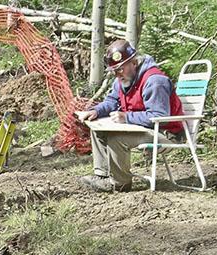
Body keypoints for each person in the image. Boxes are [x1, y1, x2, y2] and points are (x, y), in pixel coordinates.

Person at [78, 39, 184, 192]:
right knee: (97, 129)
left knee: (117, 139)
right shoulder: (122, 80)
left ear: (134, 63)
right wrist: (96, 111)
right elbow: (112, 101)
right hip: (144, 129)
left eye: (120, 69)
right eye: (114, 70)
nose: (116, 74)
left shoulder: (154, 81)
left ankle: (120, 183)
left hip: (166, 134)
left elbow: (159, 116)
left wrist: (126, 117)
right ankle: (102, 175)